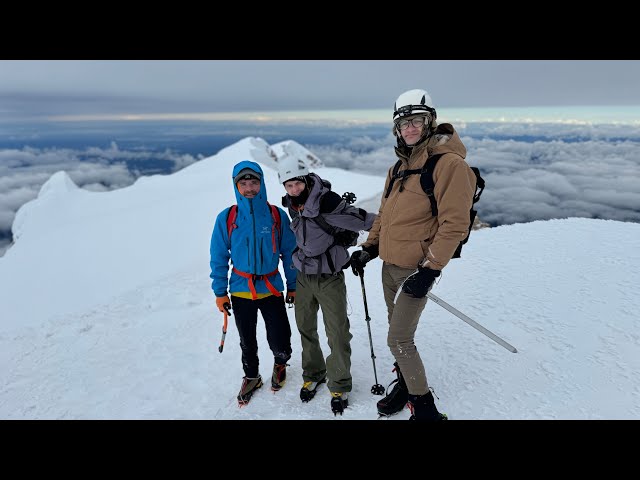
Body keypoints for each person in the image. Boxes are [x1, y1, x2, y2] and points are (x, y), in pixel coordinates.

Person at [350, 88, 477, 420]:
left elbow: (455, 224)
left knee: (399, 339)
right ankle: (406, 384)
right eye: (403, 122)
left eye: (416, 120)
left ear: (430, 122)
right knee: (397, 330)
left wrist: (430, 270)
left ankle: (425, 409)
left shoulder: (448, 165)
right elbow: (386, 215)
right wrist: (369, 248)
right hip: (389, 266)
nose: (409, 128)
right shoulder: (398, 168)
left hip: (415, 270)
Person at [277, 154, 376, 415]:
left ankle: (340, 383)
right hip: (303, 276)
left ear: (306, 180)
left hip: (329, 277)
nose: (294, 189)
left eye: (297, 183)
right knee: (305, 327)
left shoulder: (328, 203)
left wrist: (397, 225)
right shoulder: (292, 205)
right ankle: (314, 373)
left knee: (337, 331)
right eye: (288, 185)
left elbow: (364, 220)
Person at [209, 160, 298, 407]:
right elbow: (219, 256)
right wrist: (220, 292)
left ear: (261, 183)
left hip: (270, 287)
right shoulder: (228, 218)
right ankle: (251, 376)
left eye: (254, 183)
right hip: (240, 289)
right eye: (244, 184)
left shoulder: (275, 216)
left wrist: (293, 285)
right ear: (236, 186)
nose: (249, 189)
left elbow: (289, 253)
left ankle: (281, 363)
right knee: (247, 339)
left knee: (279, 335)